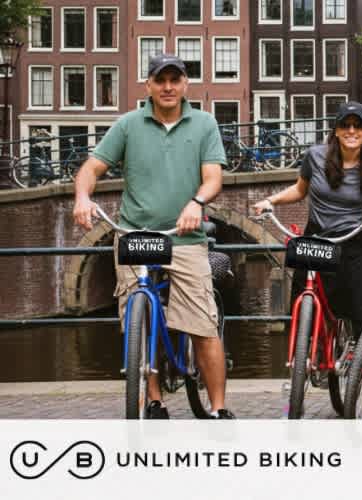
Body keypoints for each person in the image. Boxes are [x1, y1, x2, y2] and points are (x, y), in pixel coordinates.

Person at [72, 54, 234, 419]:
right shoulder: (128, 125)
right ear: (148, 85)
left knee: (203, 326)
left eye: (175, 80)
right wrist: (83, 196)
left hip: (185, 238)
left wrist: (197, 203)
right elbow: (92, 168)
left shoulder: (204, 124)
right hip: (134, 234)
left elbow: (213, 178)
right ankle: (154, 398)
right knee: (136, 319)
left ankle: (219, 409)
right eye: (160, 80)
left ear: (185, 85)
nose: (168, 87)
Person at [251, 102, 362, 417]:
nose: (351, 131)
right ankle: (296, 388)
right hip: (315, 242)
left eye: (358, 126)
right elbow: (300, 191)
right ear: (336, 130)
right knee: (303, 317)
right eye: (345, 125)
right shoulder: (315, 157)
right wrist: (269, 201)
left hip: (353, 245)